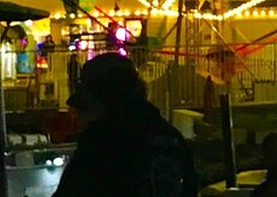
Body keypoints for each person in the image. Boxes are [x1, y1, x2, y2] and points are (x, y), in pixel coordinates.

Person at [52, 52, 198, 197]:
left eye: (89, 102)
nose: (83, 113)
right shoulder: (169, 137)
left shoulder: (100, 145)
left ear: (104, 99)